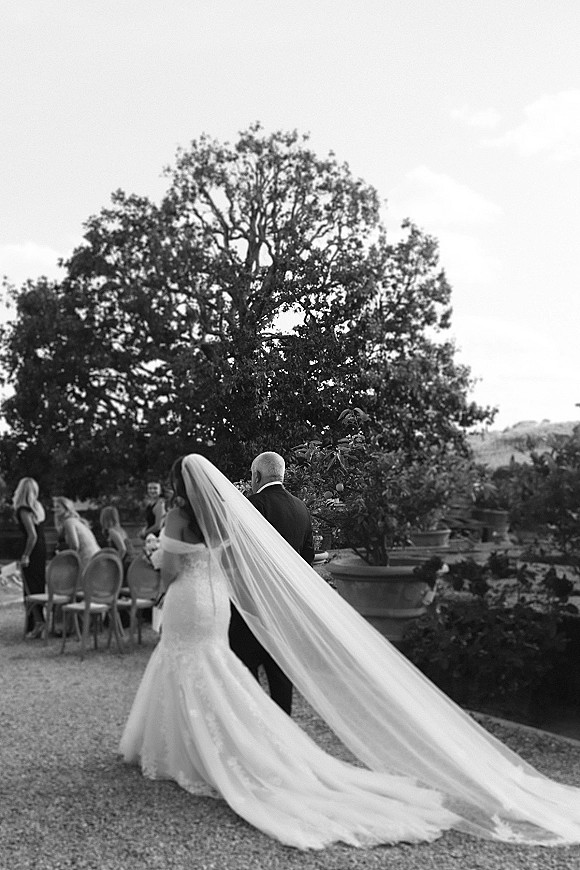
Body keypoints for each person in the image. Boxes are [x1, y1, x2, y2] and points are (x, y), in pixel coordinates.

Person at [120, 454, 580, 850]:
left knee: (226, 675)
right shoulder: (286, 509)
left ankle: (220, 746)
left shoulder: (224, 509)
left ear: (258, 475)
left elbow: (184, 569)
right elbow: (302, 557)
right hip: (257, 608)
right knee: (250, 678)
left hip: (219, 607)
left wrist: (161, 562)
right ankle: (273, 737)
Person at [228, 451, 314, 714]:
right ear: (282, 474)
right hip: (285, 606)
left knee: (245, 668)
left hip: (252, 604)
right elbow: (307, 559)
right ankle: (283, 727)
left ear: (256, 475)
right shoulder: (301, 508)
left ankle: (255, 725)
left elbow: (237, 556)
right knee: (280, 672)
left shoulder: (252, 506)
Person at [13, 477, 47, 638]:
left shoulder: (23, 510)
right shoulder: (37, 508)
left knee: (29, 587)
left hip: (32, 549)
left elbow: (31, 535)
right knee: (37, 584)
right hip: (41, 547)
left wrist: (25, 555)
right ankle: (37, 621)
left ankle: (39, 622)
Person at [52, 498, 100, 570]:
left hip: (86, 560)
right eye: (54, 507)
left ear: (66, 508)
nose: (55, 510)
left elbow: (74, 546)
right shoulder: (77, 521)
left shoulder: (69, 522)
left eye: (58, 507)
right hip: (96, 556)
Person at [99, 506, 135, 575]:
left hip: (125, 564)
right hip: (131, 562)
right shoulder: (121, 530)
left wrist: (114, 564)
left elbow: (122, 549)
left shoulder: (112, 531)